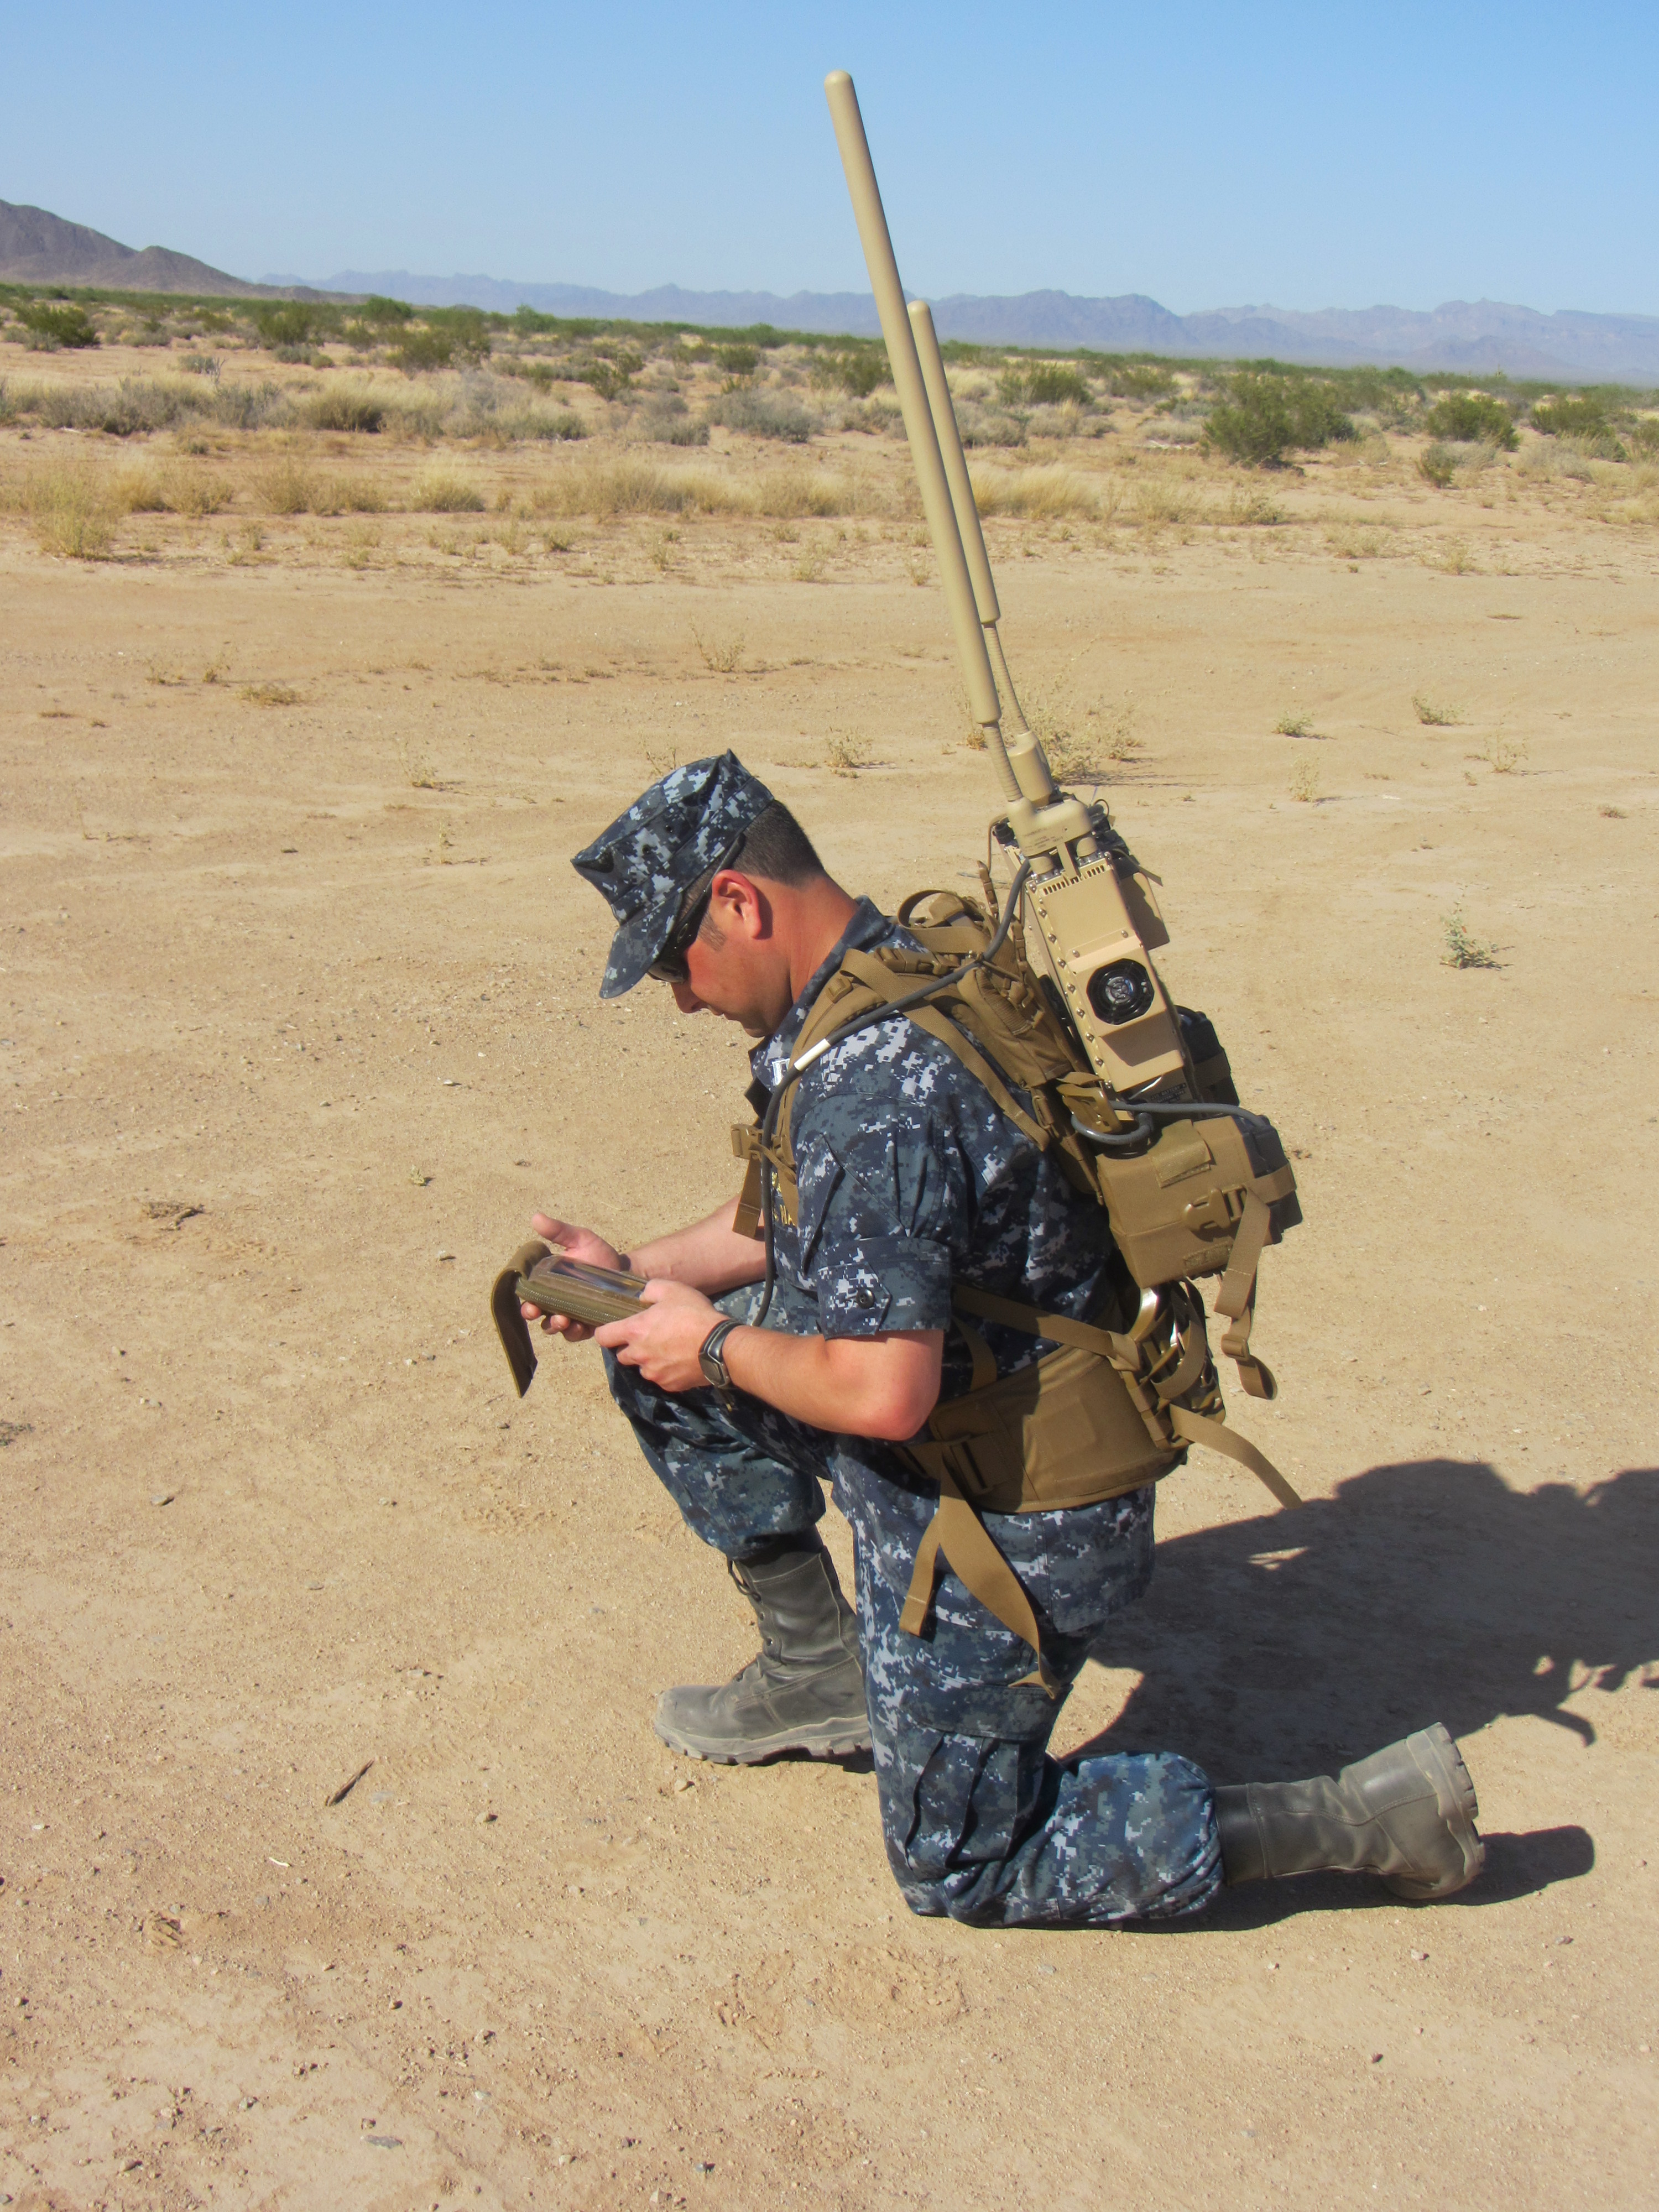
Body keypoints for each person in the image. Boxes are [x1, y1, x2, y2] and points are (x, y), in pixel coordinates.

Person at [528, 752, 1484, 1926]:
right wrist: (638, 1280)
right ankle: (820, 1669)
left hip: (1016, 1508)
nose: (683, 996)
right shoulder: (895, 973)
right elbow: (816, 1223)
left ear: (740, 901)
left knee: (961, 1861)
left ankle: (1365, 1816)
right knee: (646, 1349)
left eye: (680, 961)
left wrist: (717, 1345)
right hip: (992, 1405)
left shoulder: (869, 1086)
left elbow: (883, 1392)